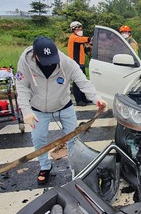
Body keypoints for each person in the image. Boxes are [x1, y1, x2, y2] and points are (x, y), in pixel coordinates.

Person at [16, 36, 107, 185]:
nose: (50, 62)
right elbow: (21, 86)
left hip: (64, 105)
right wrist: (26, 111)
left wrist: (97, 98)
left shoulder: (66, 63)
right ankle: (45, 166)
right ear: (35, 55)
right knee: (38, 139)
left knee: (73, 139)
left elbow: (83, 82)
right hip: (38, 108)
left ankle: (74, 167)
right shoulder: (25, 62)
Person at [67, 21, 92, 105]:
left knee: (83, 81)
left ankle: (83, 98)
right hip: (75, 63)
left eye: (81, 29)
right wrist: (91, 39)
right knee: (77, 82)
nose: (80, 30)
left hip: (81, 63)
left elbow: (85, 48)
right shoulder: (74, 38)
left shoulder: (78, 40)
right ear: (73, 30)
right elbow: (85, 39)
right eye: (78, 29)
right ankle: (78, 100)